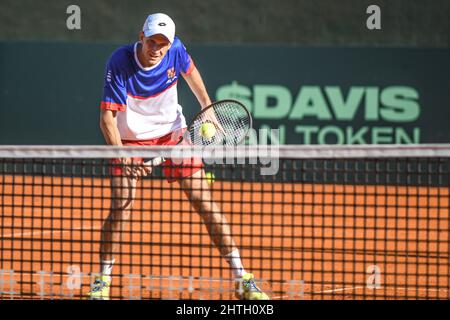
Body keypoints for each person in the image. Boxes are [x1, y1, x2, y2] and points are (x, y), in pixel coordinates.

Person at [87, 13, 269, 300]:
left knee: (205, 203)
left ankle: (242, 278)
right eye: (152, 41)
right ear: (141, 36)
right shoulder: (119, 61)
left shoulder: (176, 51)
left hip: (173, 134)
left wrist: (207, 104)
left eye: (162, 42)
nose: (156, 48)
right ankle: (102, 280)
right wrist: (122, 156)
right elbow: (106, 119)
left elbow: (191, 73)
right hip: (130, 141)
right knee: (122, 206)